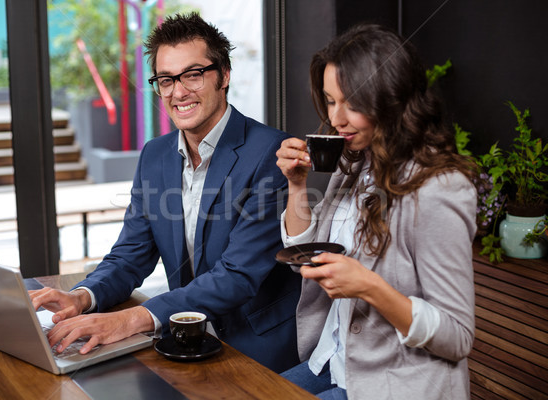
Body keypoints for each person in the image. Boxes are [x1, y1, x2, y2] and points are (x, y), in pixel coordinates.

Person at [31, 12, 301, 373]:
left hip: (254, 348)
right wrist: (83, 296)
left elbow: (237, 276)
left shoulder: (268, 151)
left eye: (193, 74)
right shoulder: (155, 155)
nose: (178, 92)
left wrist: (131, 319)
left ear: (224, 75)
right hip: (183, 341)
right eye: (165, 79)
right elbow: (130, 255)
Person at [276, 23, 477, 399]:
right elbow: (306, 253)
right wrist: (297, 184)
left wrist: (370, 288)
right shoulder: (354, 163)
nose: (336, 119)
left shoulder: (439, 188)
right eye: (330, 100)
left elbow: (457, 336)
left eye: (351, 103)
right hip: (332, 361)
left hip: (393, 382)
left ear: (390, 97)